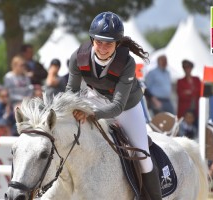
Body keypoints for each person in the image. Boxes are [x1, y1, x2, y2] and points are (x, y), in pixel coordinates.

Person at [66, 11, 162, 199]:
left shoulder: (127, 62)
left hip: (127, 107)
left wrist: (88, 112)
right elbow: (71, 90)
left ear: (117, 44)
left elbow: (117, 106)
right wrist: (74, 109)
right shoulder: (78, 57)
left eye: (108, 43)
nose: (102, 47)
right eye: (99, 41)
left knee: (144, 159)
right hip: (94, 97)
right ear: (92, 39)